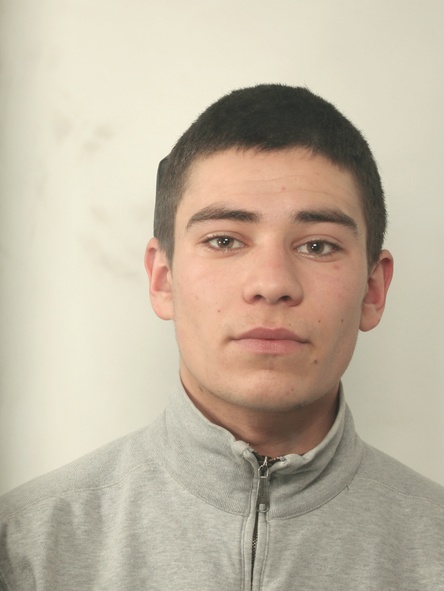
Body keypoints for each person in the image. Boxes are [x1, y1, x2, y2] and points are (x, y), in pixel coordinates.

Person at [1, 84, 443, 591]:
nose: (272, 283)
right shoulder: (25, 550)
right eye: (225, 240)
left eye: (318, 246)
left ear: (373, 289)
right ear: (163, 280)